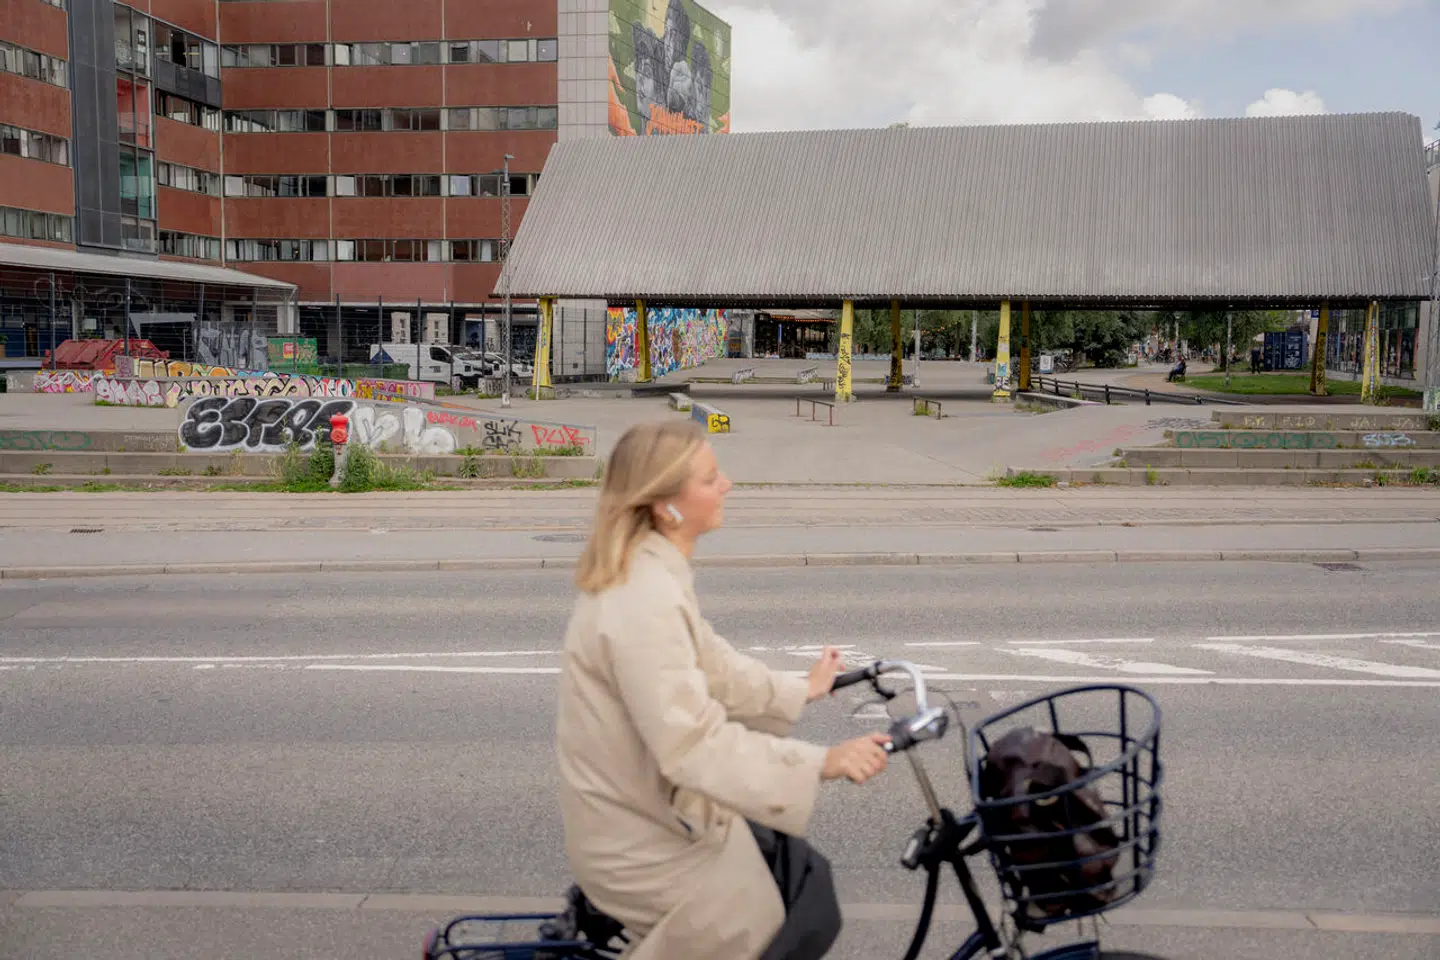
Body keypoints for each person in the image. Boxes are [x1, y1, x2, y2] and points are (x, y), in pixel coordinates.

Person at [556, 420, 890, 960]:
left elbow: (714, 665)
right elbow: (691, 744)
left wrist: (800, 689)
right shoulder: (643, 598)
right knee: (766, 917)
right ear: (667, 504)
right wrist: (822, 762)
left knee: (800, 878)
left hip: (653, 815)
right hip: (635, 840)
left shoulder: (655, 570)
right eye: (711, 478)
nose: (728, 484)